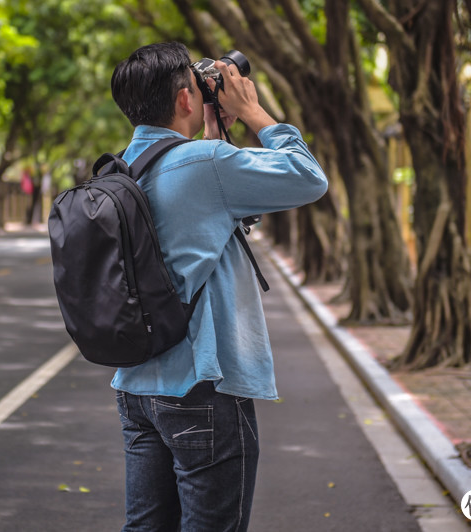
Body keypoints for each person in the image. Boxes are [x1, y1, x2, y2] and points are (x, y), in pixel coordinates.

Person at [110, 42, 328, 531]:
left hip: (136, 390)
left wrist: (214, 137)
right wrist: (252, 110)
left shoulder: (122, 168)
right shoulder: (205, 163)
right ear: (186, 98)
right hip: (202, 388)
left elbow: (210, 215)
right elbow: (308, 178)